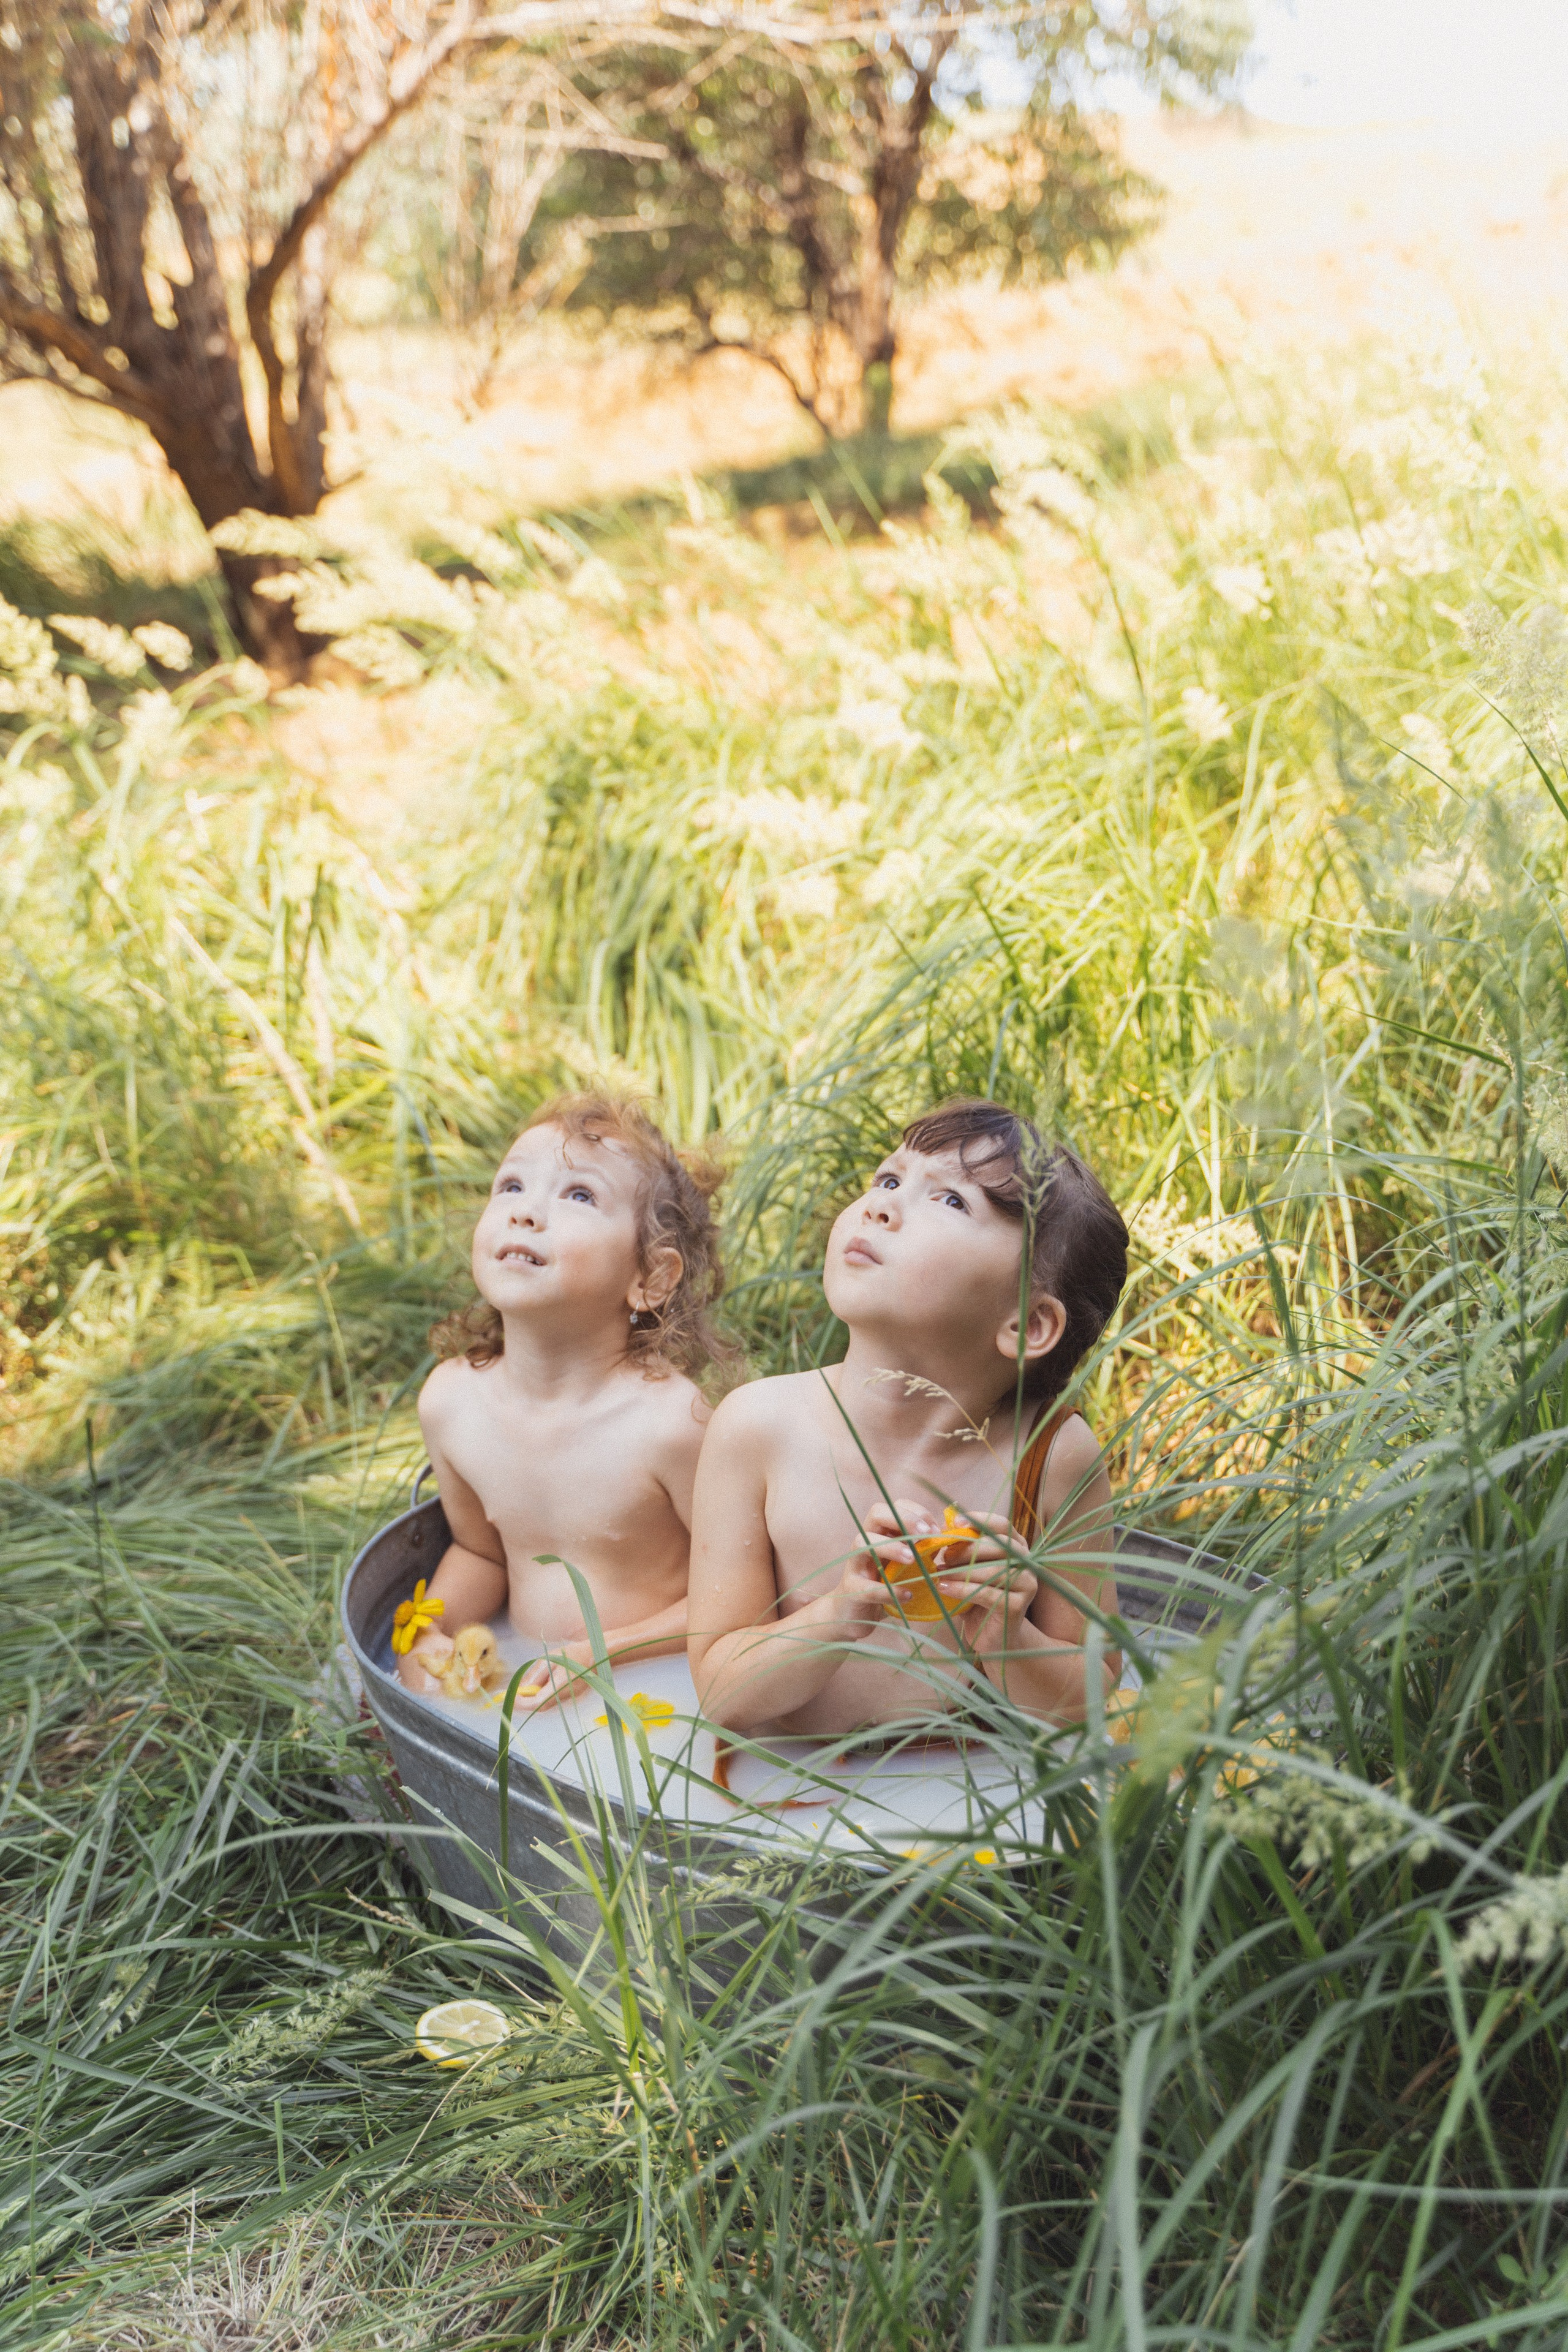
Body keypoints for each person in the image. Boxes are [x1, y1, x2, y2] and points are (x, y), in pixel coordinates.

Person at [687, 1098, 1127, 1736]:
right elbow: (720, 1692)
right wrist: (840, 1614)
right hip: (789, 1783)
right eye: (889, 1179)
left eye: (950, 1200)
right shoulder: (758, 1428)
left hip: (971, 1787)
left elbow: (1089, 1699)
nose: (881, 1205)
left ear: (1029, 1323)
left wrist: (1004, 1636)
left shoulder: (1052, 1455)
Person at [398, 1093, 725, 1708]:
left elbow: (742, 1595)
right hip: (524, 1676)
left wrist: (604, 1652)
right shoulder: (452, 1404)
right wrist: (429, 1632)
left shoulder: (670, 1424)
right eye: (511, 1186)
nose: (526, 1212)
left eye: (578, 1195)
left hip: (654, 1693)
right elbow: (480, 1553)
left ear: (651, 1278)